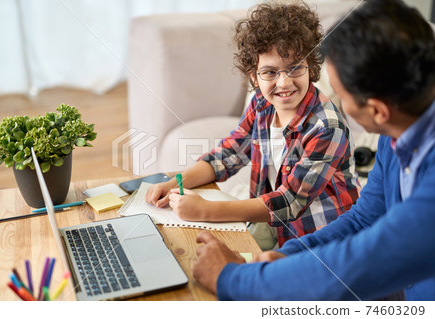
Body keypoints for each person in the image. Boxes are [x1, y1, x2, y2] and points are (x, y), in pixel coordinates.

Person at [192, 0, 435, 301]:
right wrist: (288, 257)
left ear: (377, 111)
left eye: (342, 95)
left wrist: (231, 279)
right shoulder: (397, 130)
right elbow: (364, 219)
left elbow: (363, 262)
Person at [146, 2, 360, 249]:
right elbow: (228, 155)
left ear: (310, 66)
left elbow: (289, 202)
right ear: (253, 77)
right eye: (270, 72)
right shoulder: (261, 103)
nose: (284, 82)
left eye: (295, 68)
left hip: (319, 238)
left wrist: (206, 210)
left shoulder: (327, 127)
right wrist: (173, 182)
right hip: (272, 226)